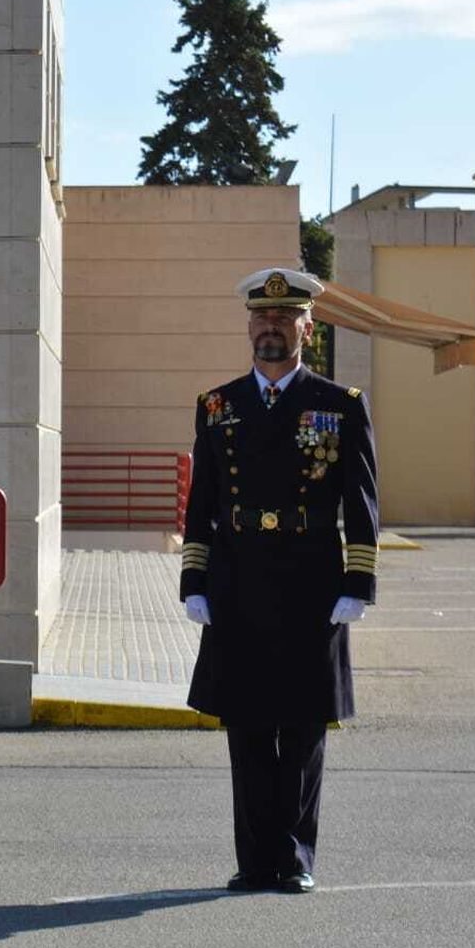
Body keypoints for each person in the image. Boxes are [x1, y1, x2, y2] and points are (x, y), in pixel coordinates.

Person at [179, 267, 378, 894]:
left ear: (307, 328)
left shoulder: (338, 405)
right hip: (239, 581)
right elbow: (202, 501)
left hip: (311, 580)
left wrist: (358, 582)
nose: (271, 328)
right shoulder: (218, 406)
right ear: (248, 327)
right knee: (246, 727)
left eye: (285, 319)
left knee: (301, 727)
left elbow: (363, 501)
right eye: (262, 319)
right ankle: (253, 860)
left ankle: (293, 858)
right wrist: (195, 581)